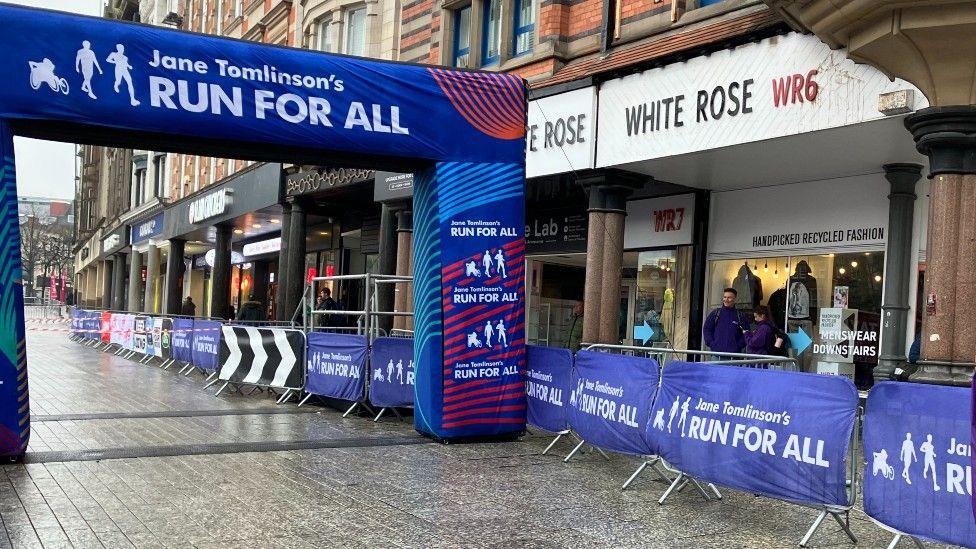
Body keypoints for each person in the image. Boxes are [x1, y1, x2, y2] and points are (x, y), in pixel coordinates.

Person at [703, 288, 749, 354]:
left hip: (734, 356)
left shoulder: (740, 316)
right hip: (716, 355)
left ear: (735, 298)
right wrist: (712, 344)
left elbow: (746, 333)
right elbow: (707, 330)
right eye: (725, 297)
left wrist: (738, 346)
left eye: (729, 297)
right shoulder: (715, 313)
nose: (726, 300)